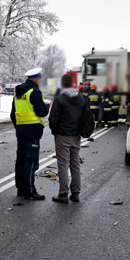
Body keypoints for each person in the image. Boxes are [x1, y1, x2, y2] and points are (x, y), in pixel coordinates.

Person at [10, 67, 49, 200]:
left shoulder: (18, 93)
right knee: (31, 161)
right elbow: (42, 112)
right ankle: (30, 190)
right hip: (33, 132)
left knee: (21, 160)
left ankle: (21, 188)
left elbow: (12, 114)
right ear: (37, 79)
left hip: (21, 131)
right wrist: (47, 106)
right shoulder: (34, 92)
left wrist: (19, 126)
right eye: (39, 79)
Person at [48, 73, 86, 203]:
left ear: (62, 84)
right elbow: (86, 116)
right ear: (73, 84)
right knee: (75, 164)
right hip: (76, 136)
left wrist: (55, 132)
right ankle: (75, 193)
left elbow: (53, 118)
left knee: (63, 165)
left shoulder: (60, 99)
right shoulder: (81, 98)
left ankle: (63, 194)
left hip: (63, 135)